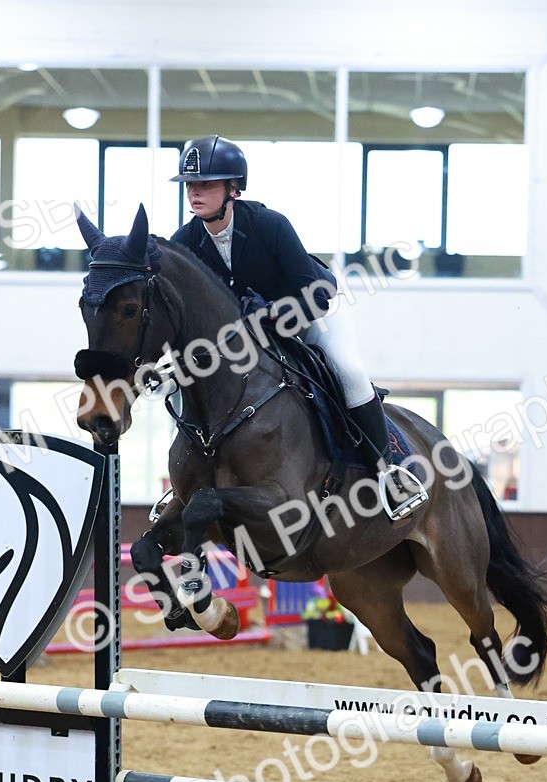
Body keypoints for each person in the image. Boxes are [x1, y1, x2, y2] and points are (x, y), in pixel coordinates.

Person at [170, 134, 427, 521]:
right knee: (183, 381)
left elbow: (318, 296)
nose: (195, 193)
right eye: (191, 185)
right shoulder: (185, 242)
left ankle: (387, 471)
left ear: (233, 188)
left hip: (309, 316)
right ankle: (185, 483)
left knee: (349, 371)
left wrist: (272, 313)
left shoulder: (269, 225)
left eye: (206, 184)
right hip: (250, 340)